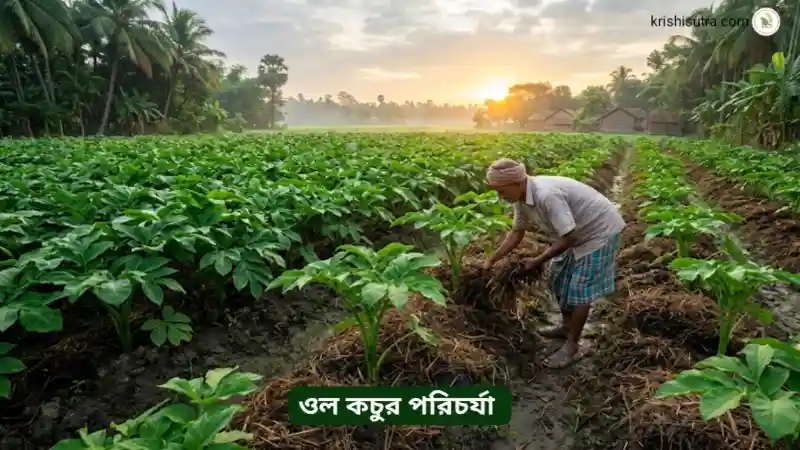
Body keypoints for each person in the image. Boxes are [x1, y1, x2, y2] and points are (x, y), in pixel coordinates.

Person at [483, 158, 625, 369]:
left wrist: (537, 261)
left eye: (501, 191)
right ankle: (566, 326)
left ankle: (572, 347)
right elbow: (517, 233)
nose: (499, 197)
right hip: (577, 231)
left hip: (599, 231)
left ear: (517, 183)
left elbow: (570, 238)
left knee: (579, 289)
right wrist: (491, 260)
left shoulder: (546, 195)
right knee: (557, 277)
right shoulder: (522, 198)